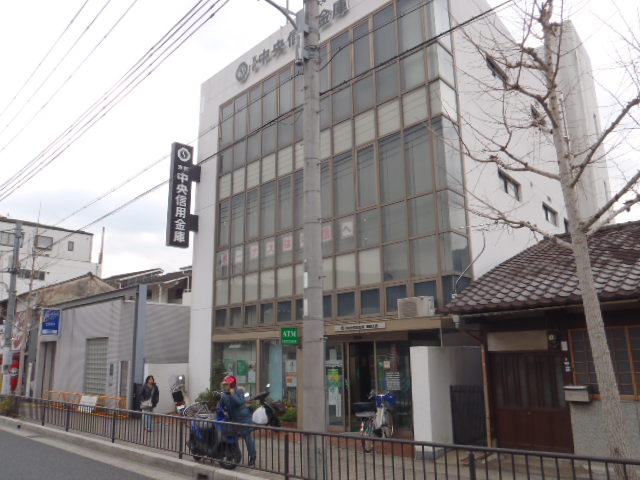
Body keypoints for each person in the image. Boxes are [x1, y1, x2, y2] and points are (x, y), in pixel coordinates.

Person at [217, 374, 256, 466]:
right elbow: (220, 406)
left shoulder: (239, 391)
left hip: (244, 420)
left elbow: (240, 402)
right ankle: (234, 454)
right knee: (232, 438)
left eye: (226, 385)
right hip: (233, 420)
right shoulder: (224, 395)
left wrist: (233, 394)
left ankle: (252, 457)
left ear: (231, 385)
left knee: (248, 438)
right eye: (224, 385)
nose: (224, 387)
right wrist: (221, 411)